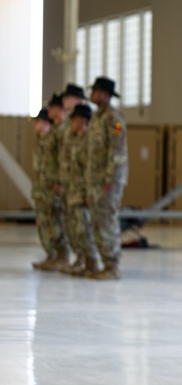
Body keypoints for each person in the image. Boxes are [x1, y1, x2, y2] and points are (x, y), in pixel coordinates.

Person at [86, 77, 129, 280]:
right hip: (95, 180)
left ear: (104, 94)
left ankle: (112, 266)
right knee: (97, 222)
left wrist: (111, 178)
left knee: (107, 222)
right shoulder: (96, 117)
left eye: (94, 91)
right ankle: (104, 264)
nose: (91, 95)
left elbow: (117, 150)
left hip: (108, 181)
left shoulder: (114, 119)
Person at [62, 103, 103, 276]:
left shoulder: (89, 141)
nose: (71, 122)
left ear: (82, 120)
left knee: (84, 229)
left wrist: (88, 193)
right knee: (75, 230)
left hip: (83, 192)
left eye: (74, 119)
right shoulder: (75, 139)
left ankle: (92, 262)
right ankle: (81, 261)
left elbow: (90, 169)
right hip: (73, 190)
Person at [30, 106, 70, 271]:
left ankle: (61, 256)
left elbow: (60, 162)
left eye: (38, 122)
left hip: (52, 188)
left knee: (56, 223)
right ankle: (51, 255)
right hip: (42, 188)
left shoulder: (55, 138)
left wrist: (59, 182)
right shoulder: (42, 140)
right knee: (45, 224)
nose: (35, 125)